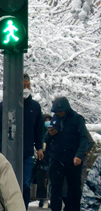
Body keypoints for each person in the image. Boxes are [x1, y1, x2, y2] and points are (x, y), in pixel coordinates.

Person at [0, 73, 44, 208]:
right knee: (7, 184)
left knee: (25, 185)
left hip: (26, 153)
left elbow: (38, 129)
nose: (26, 88)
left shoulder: (35, 107)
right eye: (23, 86)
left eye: (28, 86)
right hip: (6, 152)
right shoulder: (3, 106)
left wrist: (39, 147)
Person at [45, 97, 90, 211]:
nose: (58, 114)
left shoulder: (77, 119)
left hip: (72, 159)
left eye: (60, 111)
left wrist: (79, 155)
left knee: (74, 189)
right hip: (57, 158)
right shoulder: (55, 119)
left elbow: (84, 138)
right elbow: (46, 139)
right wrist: (50, 134)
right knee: (55, 189)